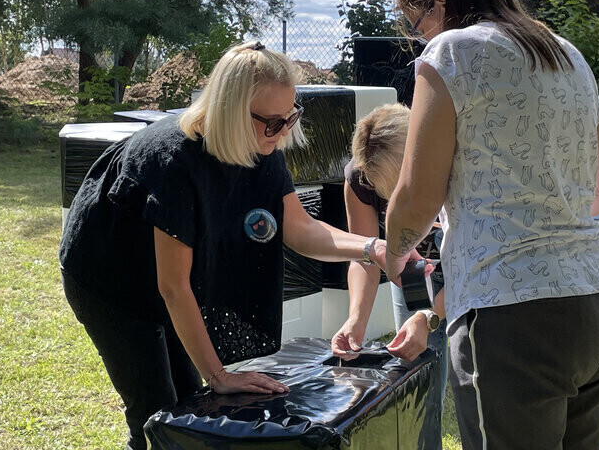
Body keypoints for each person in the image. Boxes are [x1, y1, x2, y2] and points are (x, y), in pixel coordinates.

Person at [59, 41, 423, 450]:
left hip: (163, 273)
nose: (284, 132)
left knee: (188, 402)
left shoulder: (264, 146)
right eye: (272, 122)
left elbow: (300, 229)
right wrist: (220, 376)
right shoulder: (172, 161)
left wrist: (373, 247)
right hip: (107, 277)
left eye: (290, 118)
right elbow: (173, 288)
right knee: (155, 410)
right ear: (231, 111)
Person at [384, 0, 599, 450]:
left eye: (416, 23)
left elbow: (416, 198)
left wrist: (393, 253)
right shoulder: (564, 51)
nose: (421, 37)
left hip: (512, 316)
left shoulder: (452, 51)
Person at [330, 102, 449, 450]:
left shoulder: (455, 162)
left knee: (473, 376)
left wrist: (428, 317)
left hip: (470, 273)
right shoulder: (360, 178)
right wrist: (355, 320)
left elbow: (469, 268)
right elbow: (366, 257)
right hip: (412, 278)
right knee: (419, 385)